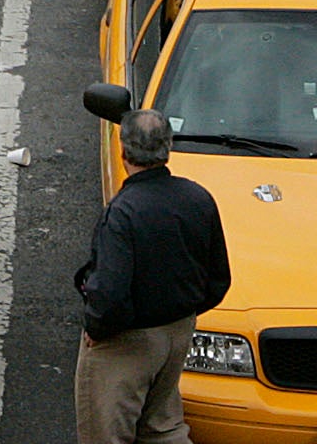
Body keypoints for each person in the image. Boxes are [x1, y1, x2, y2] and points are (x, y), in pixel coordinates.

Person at [73, 109, 231, 444]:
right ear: (168, 147)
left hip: (127, 341)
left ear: (124, 151)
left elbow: (110, 293)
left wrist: (96, 327)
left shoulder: (122, 213)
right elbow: (218, 279)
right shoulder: (197, 198)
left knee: (107, 434)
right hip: (178, 333)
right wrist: (180, 315)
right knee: (163, 427)